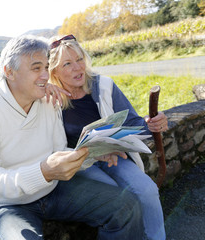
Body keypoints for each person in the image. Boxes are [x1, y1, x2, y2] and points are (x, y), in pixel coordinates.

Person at [0, 35, 145, 240]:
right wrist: (43, 173)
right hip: (8, 205)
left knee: (126, 206)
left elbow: (59, 150)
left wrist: (92, 154)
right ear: (9, 72)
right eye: (36, 68)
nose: (45, 76)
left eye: (46, 67)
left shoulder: (49, 100)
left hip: (55, 189)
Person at [47, 34, 168, 240]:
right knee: (116, 196)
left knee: (147, 189)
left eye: (79, 59)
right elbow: (48, 147)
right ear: (54, 70)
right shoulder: (49, 99)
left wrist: (153, 124)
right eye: (67, 64)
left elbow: (133, 122)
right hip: (81, 163)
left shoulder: (104, 85)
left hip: (113, 156)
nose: (78, 68)